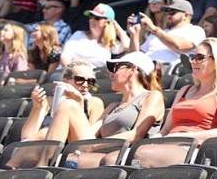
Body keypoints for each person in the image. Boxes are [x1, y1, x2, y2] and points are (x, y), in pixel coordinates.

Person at [24, 53, 164, 165]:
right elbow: (87, 134)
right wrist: (78, 104)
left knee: (69, 108)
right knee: (68, 105)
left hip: (123, 154)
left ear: (132, 70)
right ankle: (44, 166)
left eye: (115, 69)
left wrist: (95, 145)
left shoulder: (152, 96)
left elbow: (136, 135)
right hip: (98, 152)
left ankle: (43, 167)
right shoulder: (112, 106)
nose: (111, 74)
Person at [136, 39, 217, 167]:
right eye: (192, 57)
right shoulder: (184, 90)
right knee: (111, 159)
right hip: (168, 144)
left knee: (142, 155)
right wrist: (156, 138)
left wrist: (184, 138)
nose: (192, 61)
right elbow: (165, 130)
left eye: (199, 57)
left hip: (195, 148)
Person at [19, 61, 105, 151]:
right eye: (79, 79)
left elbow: (88, 139)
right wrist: (37, 107)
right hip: (37, 147)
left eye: (91, 81)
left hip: (68, 150)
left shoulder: (94, 103)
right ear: (65, 80)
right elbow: (26, 137)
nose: (85, 85)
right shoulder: (49, 101)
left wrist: (79, 103)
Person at [128, 0, 207, 66]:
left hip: (173, 76)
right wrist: (134, 35)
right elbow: (135, 57)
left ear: (186, 15)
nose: (168, 15)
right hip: (150, 74)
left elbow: (180, 46)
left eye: (172, 12)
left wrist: (153, 28)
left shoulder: (196, 30)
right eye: (167, 12)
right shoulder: (159, 33)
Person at [61, 4, 128, 69]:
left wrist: (116, 26)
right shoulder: (79, 35)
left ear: (107, 22)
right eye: (91, 16)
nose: (92, 20)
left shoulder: (110, 43)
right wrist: (73, 73)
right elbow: (65, 57)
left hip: (96, 78)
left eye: (97, 18)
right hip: (71, 75)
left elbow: (126, 46)